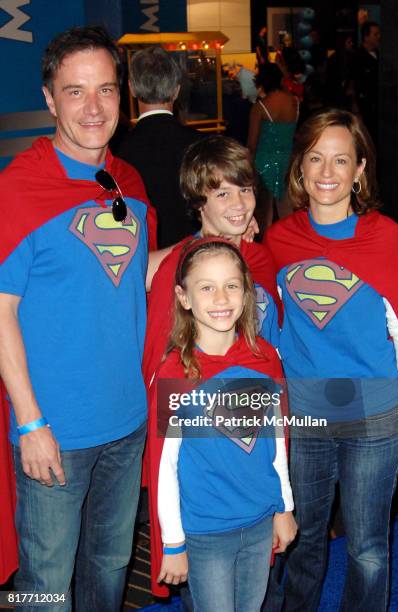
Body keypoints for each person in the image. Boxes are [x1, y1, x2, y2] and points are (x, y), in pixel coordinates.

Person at [0, 26, 157, 610]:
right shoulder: (17, 191)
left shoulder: (129, 183)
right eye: (75, 91)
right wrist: (30, 424)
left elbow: (127, 277)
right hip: (54, 432)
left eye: (107, 90)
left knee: (111, 567)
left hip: (127, 420)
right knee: (43, 586)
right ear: (48, 98)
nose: (94, 108)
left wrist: (209, 248)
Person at [264, 108, 398, 611]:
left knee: (368, 548)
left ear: (360, 169)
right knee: (301, 541)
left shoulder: (386, 238)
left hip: (374, 414)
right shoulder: (279, 241)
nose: (327, 173)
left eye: (341, 160)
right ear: (299, 168)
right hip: (305, 416)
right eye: (316, 159)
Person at [149, 237, 297, 612]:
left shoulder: (266, 360)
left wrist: (285, 508)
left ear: (247, 294)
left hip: (260, 520)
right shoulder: (176, 372)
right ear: (184, 297)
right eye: (206, 287)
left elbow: (277, 442)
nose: (221, 298)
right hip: (206, 532)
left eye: (232, 285)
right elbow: (164, 466)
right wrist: (174, 543)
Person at [143, 135, 280, 395]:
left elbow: (272, 339)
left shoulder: (260, 257)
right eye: (222, 194)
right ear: (198, 203)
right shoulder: (179, 268)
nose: (238, 204)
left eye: (245, 190)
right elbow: (157, 359)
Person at [117, 46, 202, 248]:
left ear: (132, 88)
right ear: (176, 90)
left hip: (145, 259)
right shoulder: (202, 145)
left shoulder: (119, 152)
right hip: (199, 254)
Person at [247, 63, 299, 224]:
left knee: (264, 212)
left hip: (264, 162)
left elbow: (252, 143)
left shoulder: (260, 107)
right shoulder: (294, 102)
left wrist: (249, 166)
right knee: (286, 208)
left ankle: (267, 244)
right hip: (287, 159)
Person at [351, 21, 380, 145]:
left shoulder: (380, 55)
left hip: (378, 109)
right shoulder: (357, 57)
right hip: (364, 109)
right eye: (375, 34)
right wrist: (357, 112)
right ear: (366, 36)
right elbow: (352, 86)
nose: (379, 36)